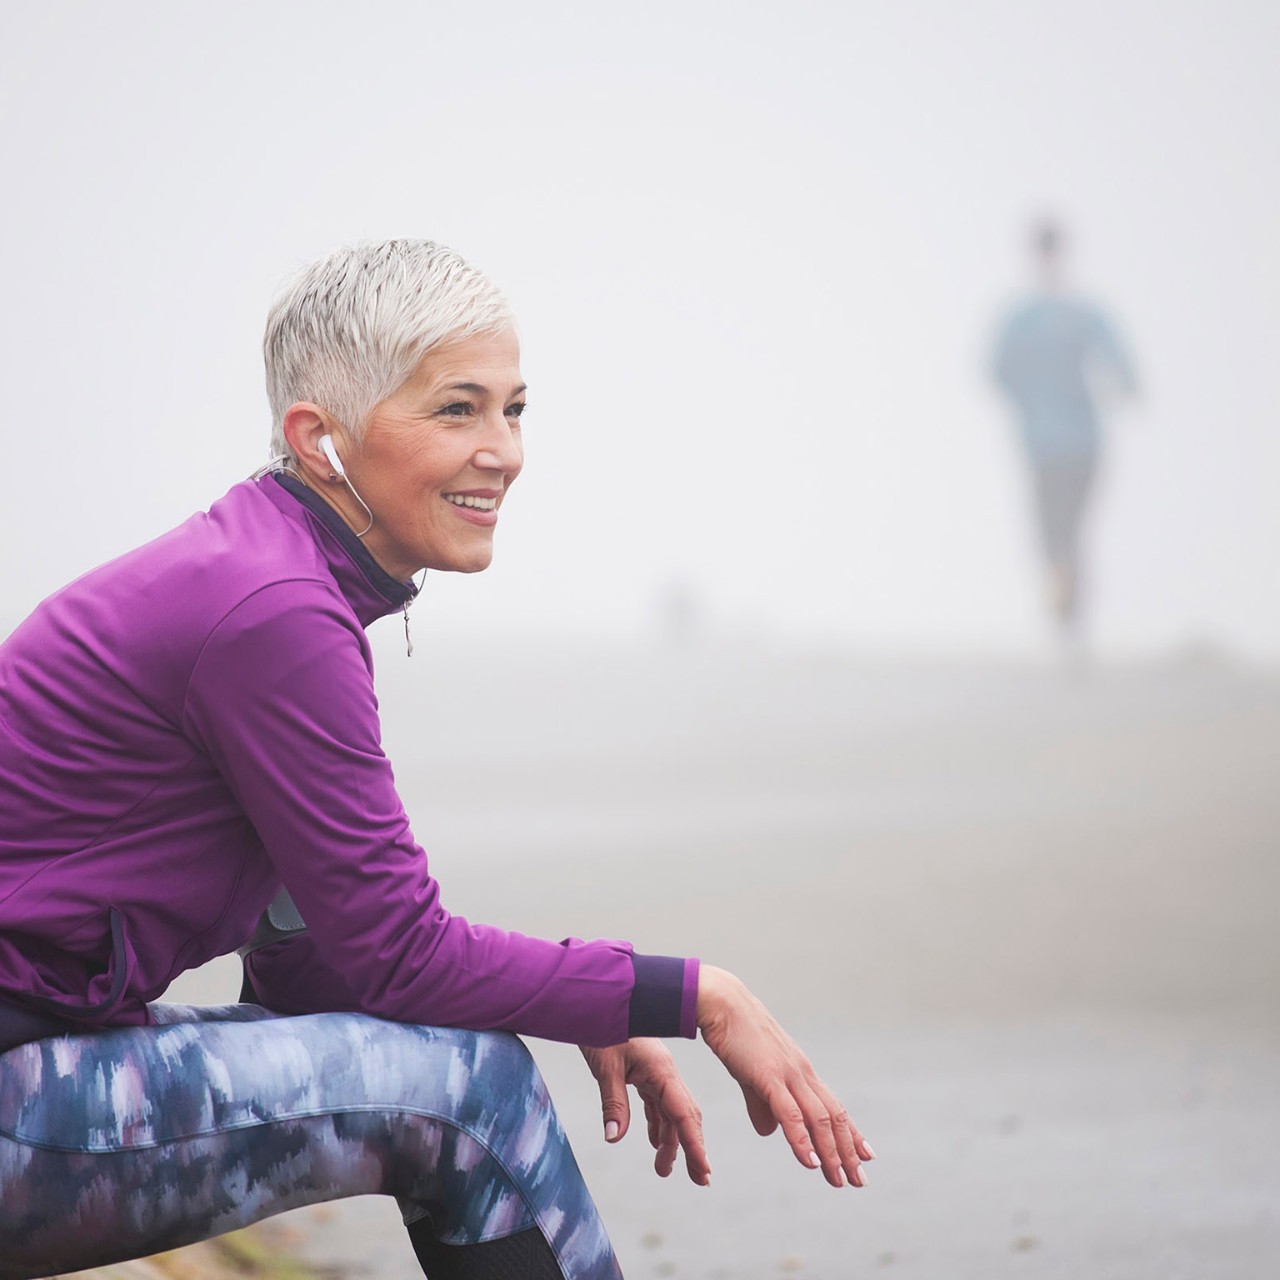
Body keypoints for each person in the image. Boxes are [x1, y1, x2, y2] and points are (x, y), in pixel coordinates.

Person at [0, 239, 873, 1280]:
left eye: (513, 408)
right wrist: (696, 994)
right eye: (456, 409)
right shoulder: (272, 613)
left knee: (462, 1060)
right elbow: (395, 954)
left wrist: (570, 997)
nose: (501, 449)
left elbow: (318, 959)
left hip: (41, 1057)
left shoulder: (261, 576)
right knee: (472, 1087)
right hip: (18, 1092)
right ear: (319, 437)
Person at [992, 219, 1137, 644]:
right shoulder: (1083, 315)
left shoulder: (1023, 319)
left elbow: (996, 373)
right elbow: (1125, 375)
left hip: (1046, 444)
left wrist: (1027, 400)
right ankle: (1072, 619)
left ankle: (1066, 611)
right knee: (1071, 533)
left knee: (1055, 533)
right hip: (1080, 442)